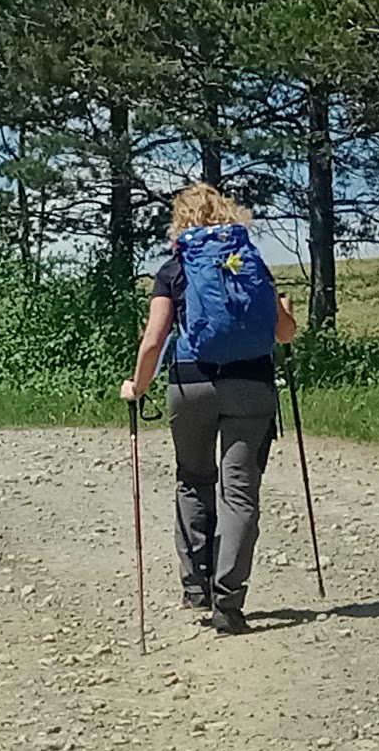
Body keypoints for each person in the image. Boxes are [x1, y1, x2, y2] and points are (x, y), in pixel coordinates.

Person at [120, 183, 299, 635]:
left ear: (180, 221)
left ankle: (196, 587)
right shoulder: (251, 263)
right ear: (229, 215)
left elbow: (154, 340)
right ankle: (229, 603)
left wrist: (137, 388)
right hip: (251, 386)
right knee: (240, 493)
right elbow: (284, 334)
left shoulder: (175, 268)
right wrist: (286, 310)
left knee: (193, 478)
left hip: (191, 384)